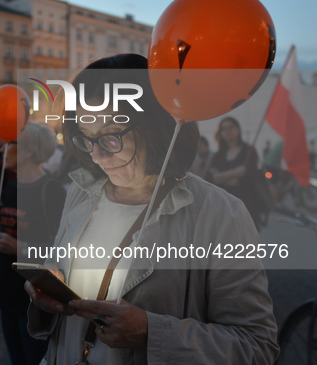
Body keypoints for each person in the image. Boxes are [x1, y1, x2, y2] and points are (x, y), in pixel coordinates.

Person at [24, 54, 278, 364]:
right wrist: (48, 293)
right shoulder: (81, 191)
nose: (98, 157)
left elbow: (257, 345)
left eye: (112, 135)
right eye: (87, 139)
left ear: (155, 126)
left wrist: (151, 334)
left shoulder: (220, 214)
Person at [0, 122, 66, 365]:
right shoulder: (10, 186)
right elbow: (7, 227)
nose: (2, 150)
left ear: (29, 150)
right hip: (7, 289)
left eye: (10, 144)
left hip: (34, 298)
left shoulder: (50, 190)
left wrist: (17, 246)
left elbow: (62, 249)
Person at [206, 117, 263, 228]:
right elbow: (210, 180)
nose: (227, 131)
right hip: (222, 209)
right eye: (224, 129)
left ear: (238, 129)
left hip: (245, 207)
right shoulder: (218, 156)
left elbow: (249, 178)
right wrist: (236, 172)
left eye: (230, 127)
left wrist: (220, 177)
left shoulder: (248, 151)